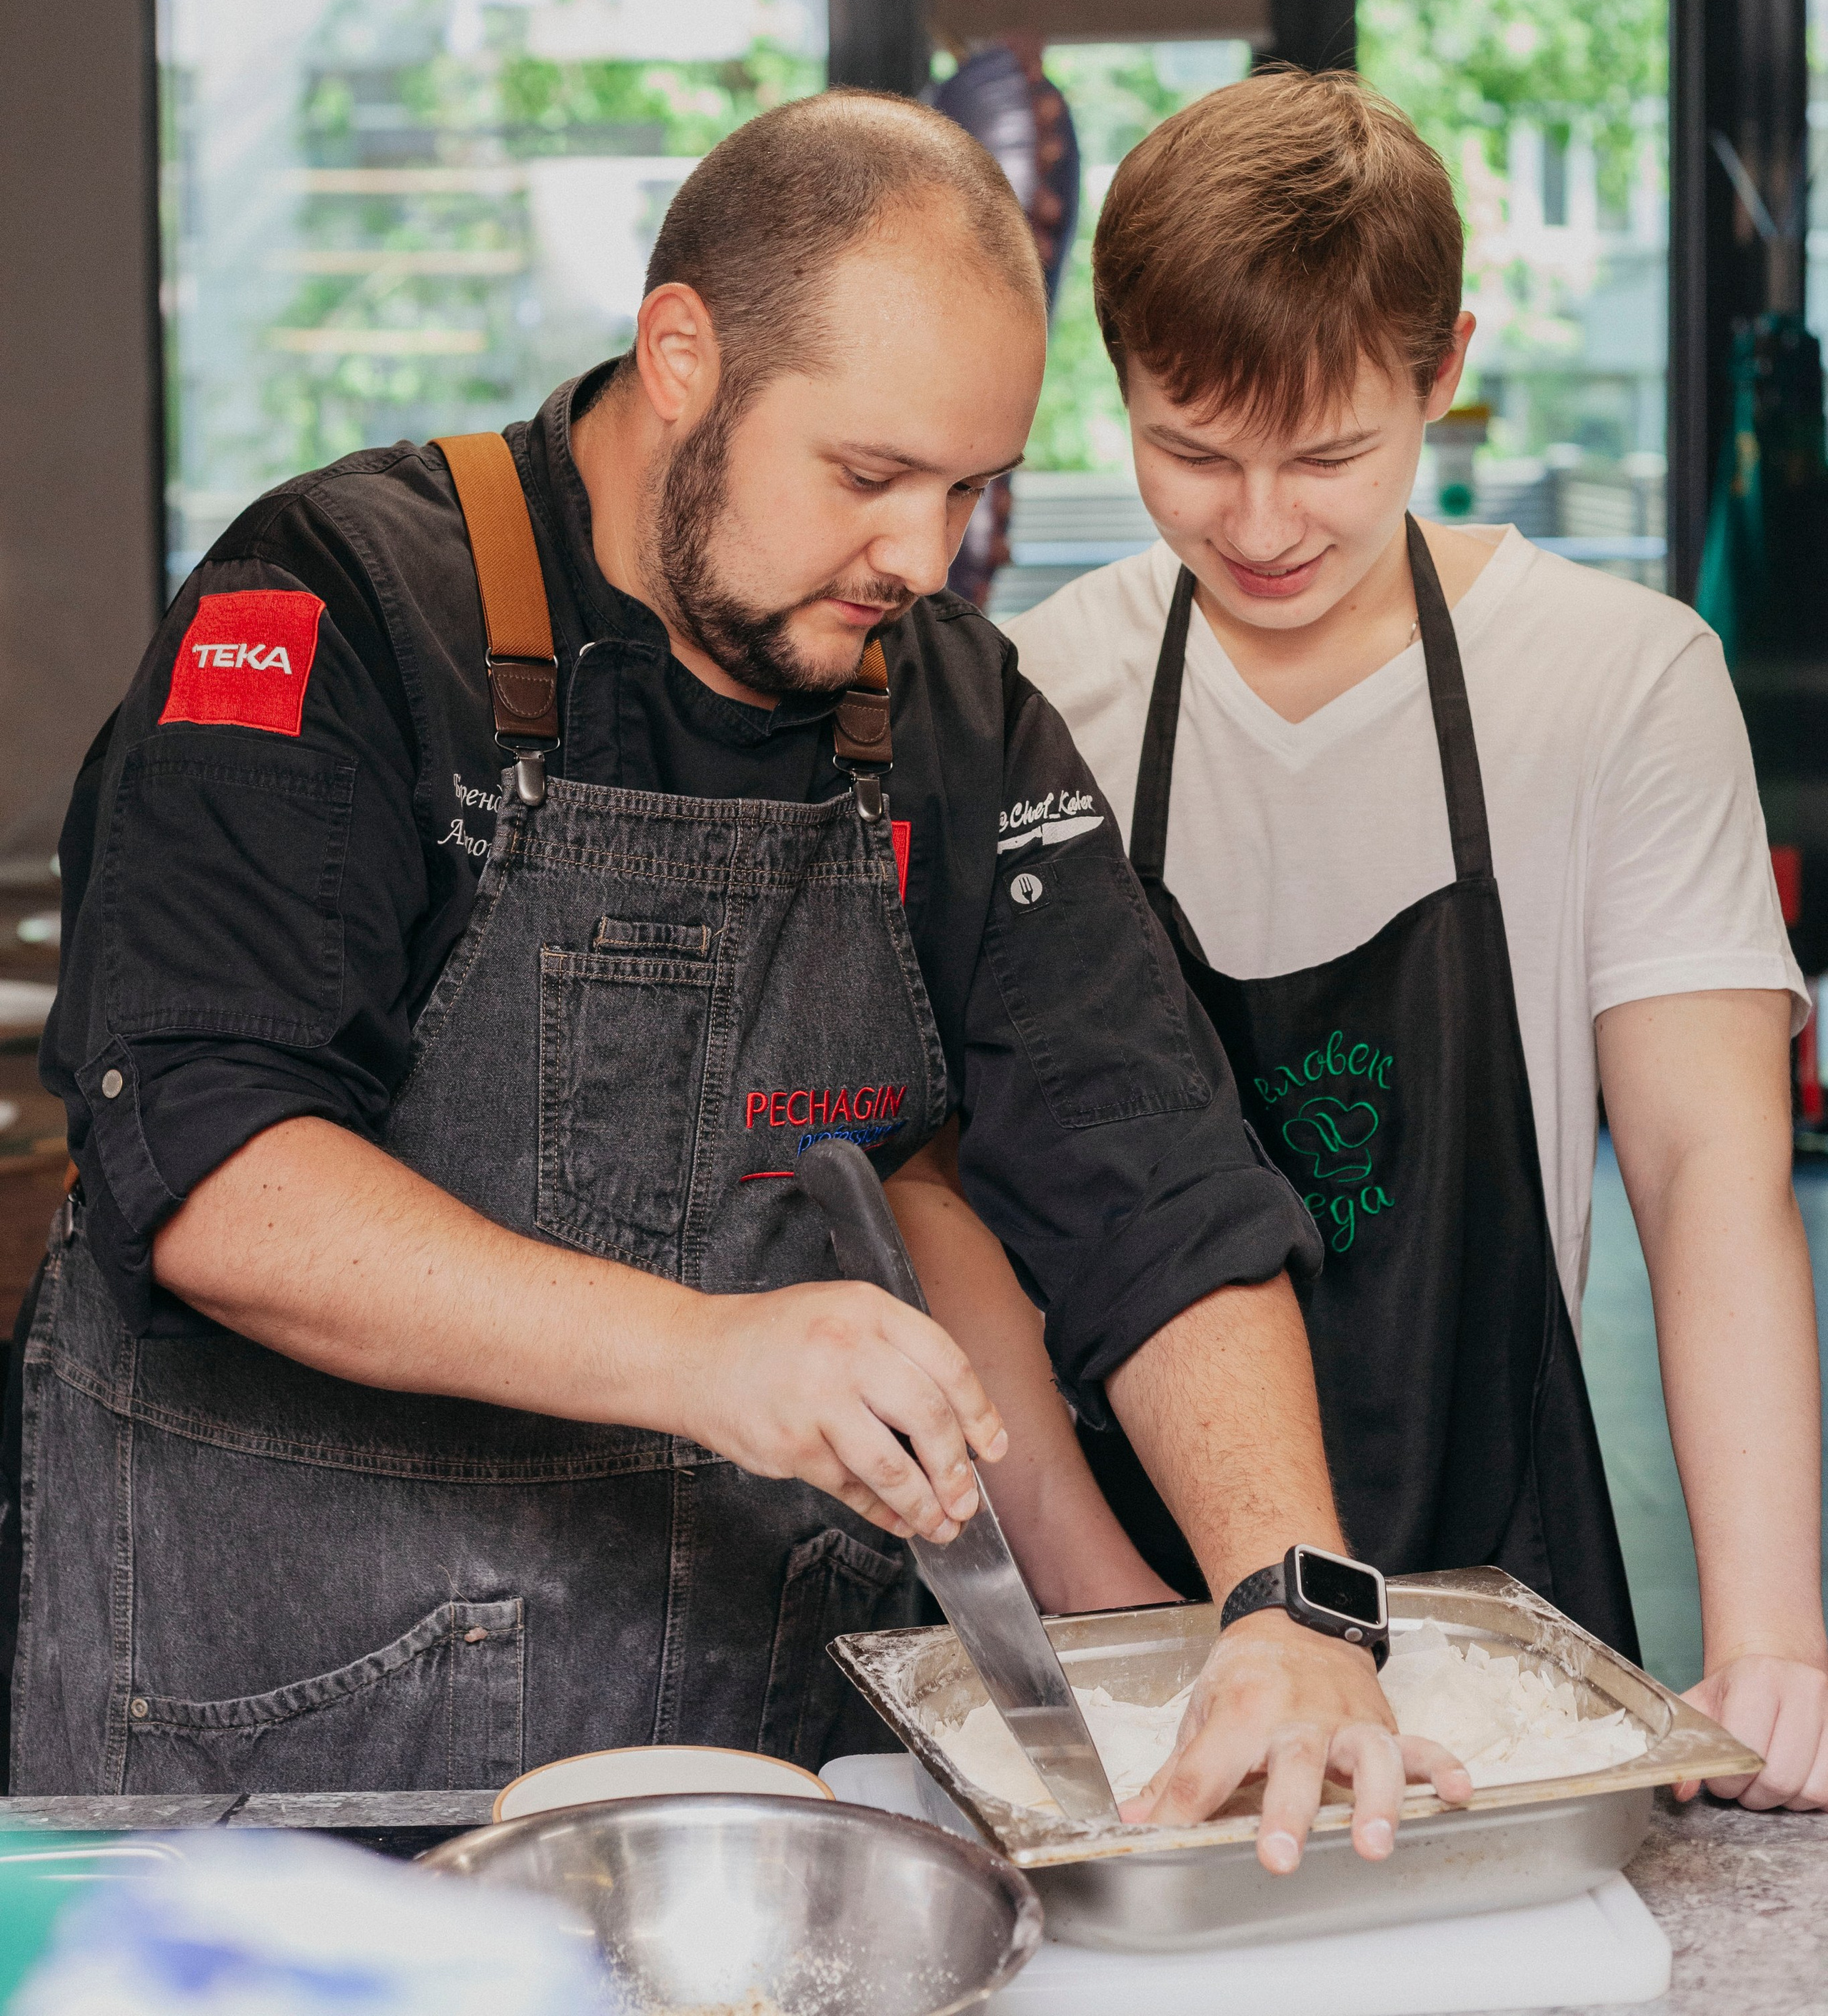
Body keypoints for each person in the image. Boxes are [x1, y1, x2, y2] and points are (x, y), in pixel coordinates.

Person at [16, 89, 1470, 1861]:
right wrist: (709, 1358)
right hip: (286, 1770)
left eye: (966, 491)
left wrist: (1290, 1600)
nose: (923, 560)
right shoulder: (331, 610)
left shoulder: (942, 703)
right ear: (681, 353)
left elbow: (1149, 1173)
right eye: (867, 477)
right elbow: (219, 1177)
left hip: (757, 1799)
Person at [1005, 66, 1828, 1812]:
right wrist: (1110, 1610)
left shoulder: (1616, 680)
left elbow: (1705, 1175)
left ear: (1440, 372)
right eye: (1188, 450)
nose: (1256, 525)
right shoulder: (1044, 691)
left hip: (1502, 1575)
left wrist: (1771, 1634)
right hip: (1141, 1596)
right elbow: (974, 1181)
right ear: (1119, 379)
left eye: (1326, 454)